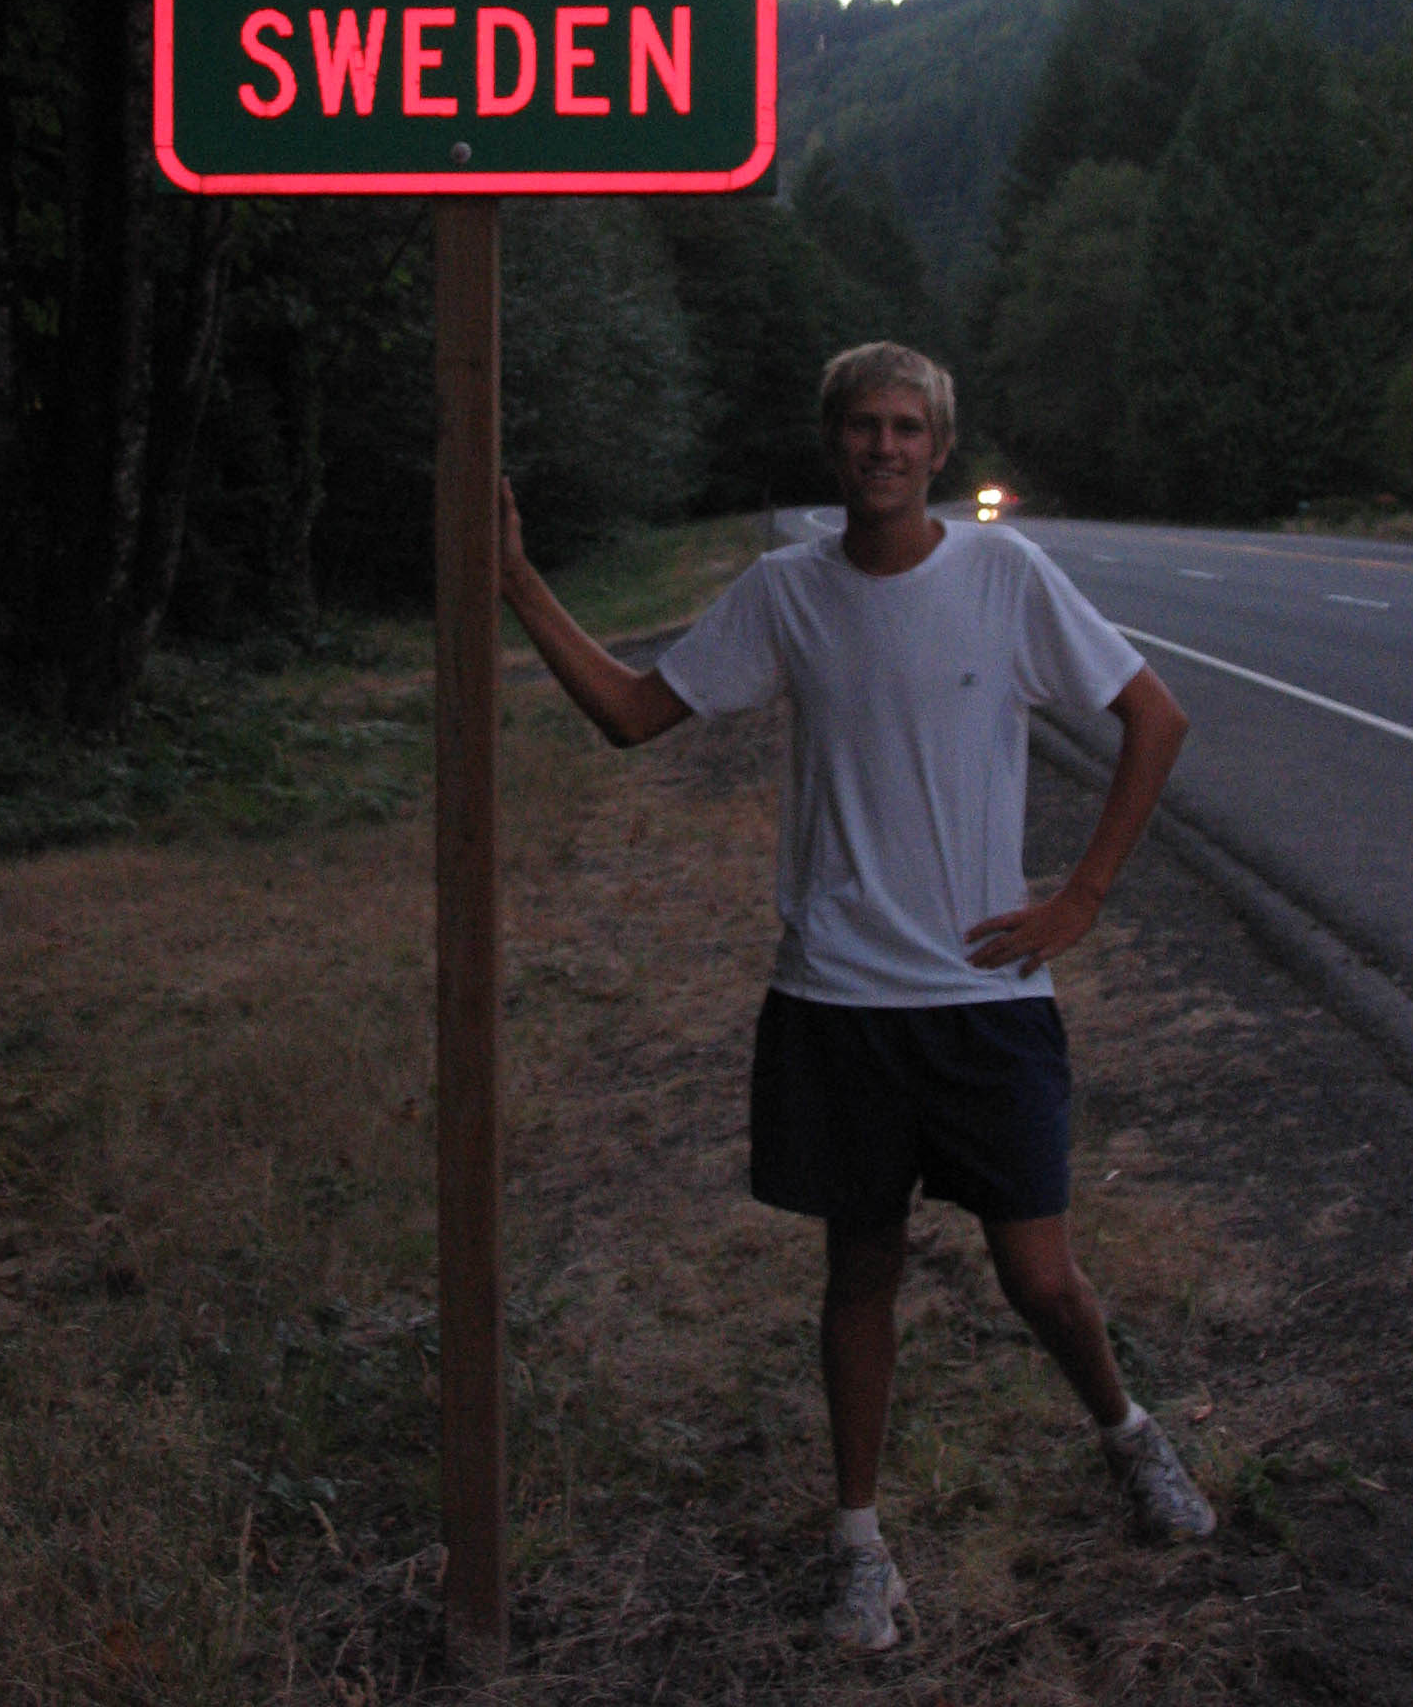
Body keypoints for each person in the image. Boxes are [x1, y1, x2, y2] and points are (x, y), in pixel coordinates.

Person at [499, 341, 1214, 1654]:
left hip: (983, 998)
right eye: (862, 427)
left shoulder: (1004, 576)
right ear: (834, 442)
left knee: (1040, 1277)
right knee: (859, 1274)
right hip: (836, 998)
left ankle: (1129, 1436)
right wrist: (517, 582)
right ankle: (860, 1547)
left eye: (905, 429)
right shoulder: (786, 592)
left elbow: (1154, 718)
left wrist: (1081, 897)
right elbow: (631, 714)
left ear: (937, 448)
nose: (883, 448)